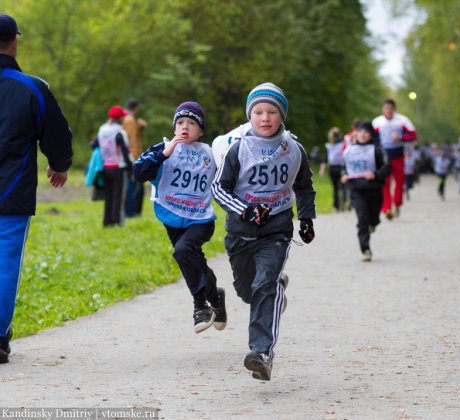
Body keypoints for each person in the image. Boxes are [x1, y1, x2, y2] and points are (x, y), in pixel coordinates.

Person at [212, 82, 316, 381]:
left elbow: (304, 186)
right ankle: (276, 294)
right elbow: (219, 189)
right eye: (258, 112)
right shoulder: (239, 147)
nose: (265, 118)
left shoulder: (293, 149)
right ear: (250, 115)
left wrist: (307, 219)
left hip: (276, 231)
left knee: (264, 287)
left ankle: (261, 353)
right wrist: (245, 209)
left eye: (272, 112)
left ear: (281, 115)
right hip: (240, 232)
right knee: (248, 292)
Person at [0, 14, 73, 364]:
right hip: (10, 195)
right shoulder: (32, 88)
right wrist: (59, 164)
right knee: (4, 266)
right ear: (14, 42)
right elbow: (57, 133)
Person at [133, 102, 226, 333]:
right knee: (193, 260)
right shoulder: (164, 148)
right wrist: (164, 154)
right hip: (172, 217)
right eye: (180, 122)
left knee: (183, 251)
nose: (185, 126)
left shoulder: (210, 153)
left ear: (201, 130)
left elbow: (229, 175)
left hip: (201, 219)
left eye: (192, 123)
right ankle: (216, 299)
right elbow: (138, 172)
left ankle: (200, 307)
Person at [341, 122, 390, 261]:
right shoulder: (349, 150)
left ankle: (373, 224)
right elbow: (343, 167)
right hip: (357, 190)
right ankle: (365, 249)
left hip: (374, 189)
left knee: (373, 218)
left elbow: (387, 168)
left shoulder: (378, 150)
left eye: (366, 132)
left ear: (371, 134)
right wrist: (343, 175)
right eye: (360, 131)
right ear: (355, 133)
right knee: (362, 219)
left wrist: (375, 174)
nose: (362, 134)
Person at [372, 99, 417, 220]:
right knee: (385, 183)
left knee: (399, 181)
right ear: (383, 110)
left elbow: (413, 135)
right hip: (384, 156)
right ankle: (387, 208)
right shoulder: (377, 122)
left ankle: (397, 204)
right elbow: (372, 138)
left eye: (391, 109)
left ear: (394, 109)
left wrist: (401, 136)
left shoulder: (402, 120)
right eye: (386, 109)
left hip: (398, 154)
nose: (388, 111)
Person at [95, 105, 132, 227]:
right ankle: (116, 221)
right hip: (118, 167)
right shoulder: (120, 132)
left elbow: (94, 144)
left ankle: (107, 221)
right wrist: (131, 168)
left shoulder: (102, 129)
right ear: (120, 118)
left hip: (105, 167)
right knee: (118, 196)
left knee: (108, 196)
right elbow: (125, 152)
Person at [123, 98, 147, 217]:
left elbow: (142, 125)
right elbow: (132, 139)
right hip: (133, 157)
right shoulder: (130, 120)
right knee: (134, 185)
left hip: (126, 156)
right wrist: (135, 158)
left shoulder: (124, 118)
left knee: (132, 185)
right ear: (136, 107)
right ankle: (132, 212)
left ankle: (132, 211)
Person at [319, 127, 347, 211]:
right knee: (343, 187)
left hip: (332, 168)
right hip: (342, 167)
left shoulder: (328, 145)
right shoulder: (343, 144)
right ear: (340, 134)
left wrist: (322, 170)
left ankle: (336, 206)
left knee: (335, 188)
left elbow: (326, 159)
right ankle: (344, 201)